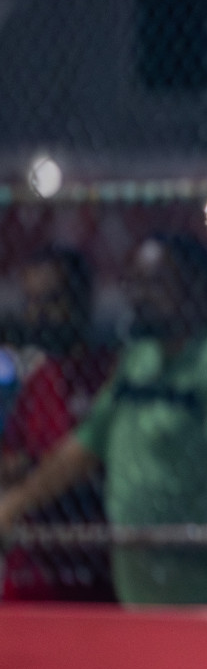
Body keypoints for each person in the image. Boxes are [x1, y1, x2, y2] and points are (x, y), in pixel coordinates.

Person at [0, 233, 207, 606]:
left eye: (156, 284)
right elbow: (86, 444)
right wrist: (14, 504)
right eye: (135, 284)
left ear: (196, 289)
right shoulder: (138, 361)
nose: (139, 296)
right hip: (151, 599)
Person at [0, 247, 116, 602]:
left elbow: (90, 461)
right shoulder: (38, 378)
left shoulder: (111, 373)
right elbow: (13, 459)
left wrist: (30, 485)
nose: (39, 316)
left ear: (83, 300)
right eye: (32, 303)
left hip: (96, 570)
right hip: (33, 569)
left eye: (52, 302)